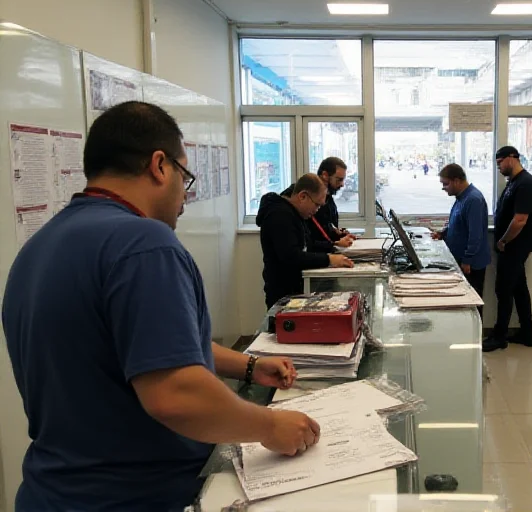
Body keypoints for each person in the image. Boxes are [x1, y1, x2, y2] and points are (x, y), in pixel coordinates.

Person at [1, 102, 320, 512]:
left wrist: (248, 366)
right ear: (159, 165)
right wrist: (269, 426)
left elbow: (147, 352)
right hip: (135, 497)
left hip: (52, 493)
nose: (184, 199)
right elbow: (174, 394)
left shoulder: (39, 247)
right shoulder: (145, 244)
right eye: (185, 178)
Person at [257, 173, 353, 308]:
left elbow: (308, 244)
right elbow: (292, 256)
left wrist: (333, 246)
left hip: (296, 289)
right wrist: (329, 259)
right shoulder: (280, 216)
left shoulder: (296, 215)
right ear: (302, 196)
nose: (317, 210)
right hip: (283, 294)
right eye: (317, 205)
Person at [483, 146, 532, 352]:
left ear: (512, 158)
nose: (498, 166)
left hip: (515, 245)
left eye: (500, 162)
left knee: (503, 289)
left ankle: (500, 336)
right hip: (512, 245)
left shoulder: (525, 184)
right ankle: (527, 333)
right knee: (518, 288)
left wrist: (503, 241)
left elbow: (520, 220)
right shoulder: (514, 183)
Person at [432, 164, 491, 315]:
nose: (444, 188)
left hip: (471, 264)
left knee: (471, 305)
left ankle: (474, 338)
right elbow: (458, 223)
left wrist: (467, 259)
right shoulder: (461, 197)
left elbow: (475, 234)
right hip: (462, 259)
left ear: (457, 181)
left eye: (446, 184)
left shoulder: (473, 200)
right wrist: (443, 233)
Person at [282, 157, 355, 254]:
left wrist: (339, 235)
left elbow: (326, 229)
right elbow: (306, 242)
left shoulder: (329, 200)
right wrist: (333, 245)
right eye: (339, 180)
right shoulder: (289, 205)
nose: (342, 184)